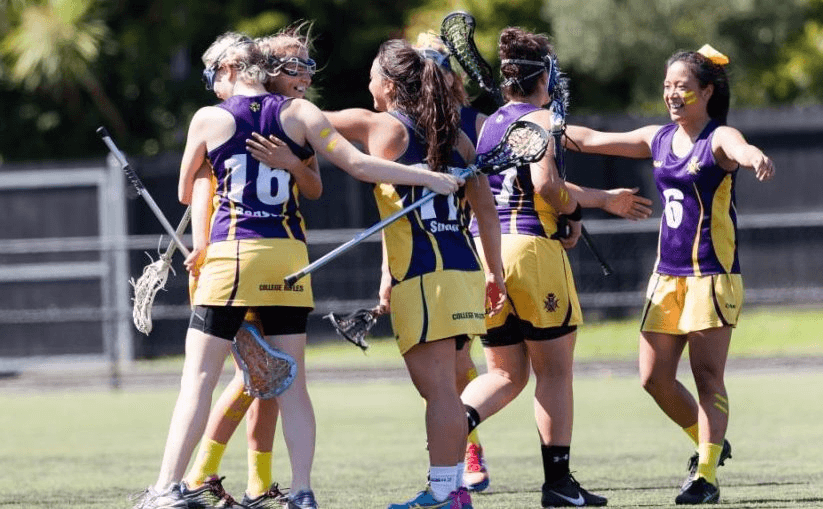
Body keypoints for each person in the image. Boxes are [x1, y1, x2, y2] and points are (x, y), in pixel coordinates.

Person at [130, 32, 462, 509]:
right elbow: (359, 164)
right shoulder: (302, 115)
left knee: (199, 379)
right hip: (288, 260)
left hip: (232, 257)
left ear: (229, 71)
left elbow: (186, 190)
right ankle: (302, 490)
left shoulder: (208, 117)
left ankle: (166, 488)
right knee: (293, 384)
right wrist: (430, 177)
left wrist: (209, 173)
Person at [258, 38, 507, 509]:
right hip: (462, 271)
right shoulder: (458, 135)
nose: (367, 82)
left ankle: (443, 492)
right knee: (447, 389)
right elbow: (486, 214)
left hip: (425, 274)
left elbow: (304, 119)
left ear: (389, 86)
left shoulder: (380, 126)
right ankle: (453, 490)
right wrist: (495, 273)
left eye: (372, 74)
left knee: (438, 393)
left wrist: (261, 91)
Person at [562, 44, 775, 504]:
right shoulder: (656, 137)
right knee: (653, 378)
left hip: (711, 276)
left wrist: (754, 155)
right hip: (667, 277)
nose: (673, 95)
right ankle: (710, 444)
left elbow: (738, 146)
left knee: (707, 377)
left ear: (707, 91)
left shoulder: (717, 138)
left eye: (683, 87)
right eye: (667, 87)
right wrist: (543, 127)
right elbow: (592, 138)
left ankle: (706, 476)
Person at [458, 27, 654, 509]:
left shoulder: (488, 125)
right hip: (532, 253)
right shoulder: (543, 120)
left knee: (505, 374)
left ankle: (449, 423)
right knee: (554, 373)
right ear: (545, 74)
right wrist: (587, 206)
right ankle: (559, 486)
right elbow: (546, 184)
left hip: (490, 249)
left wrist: (577, 206)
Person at [180, 23, 322, 509]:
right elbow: (200, 185)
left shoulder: (294, 120)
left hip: (271, 252)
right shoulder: (237, 116)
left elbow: (314, 185)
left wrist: (292, 162)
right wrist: (200, 244)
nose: (304, 72)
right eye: (295, 64)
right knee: (253, 379)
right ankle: (203, 472)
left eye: (308, 63)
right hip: (231, 254)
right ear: (270, 69)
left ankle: (258, 484)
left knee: (270, 381)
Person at [412, 30, 491, 493]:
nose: (434, 76)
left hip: (462, 247)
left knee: (459, 363)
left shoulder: (469, 124)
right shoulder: (401, 121)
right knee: (443, 370)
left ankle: (464, 453)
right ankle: (454, 459)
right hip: (418, 257)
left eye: (440, 66)